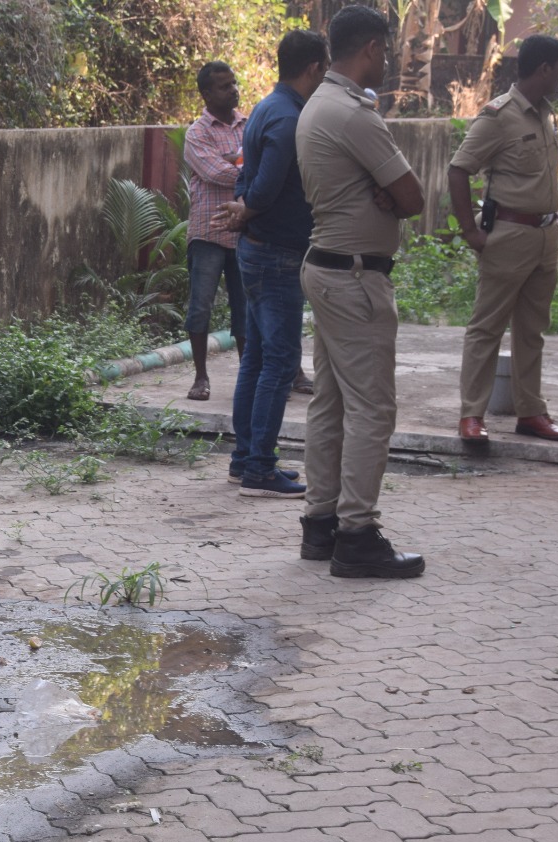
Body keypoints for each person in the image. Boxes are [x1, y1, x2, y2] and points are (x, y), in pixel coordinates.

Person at [294, 5, 426, 578]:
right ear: (371, 48)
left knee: (332, 402)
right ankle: (358, 534)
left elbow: (395, 193)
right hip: (353, 276)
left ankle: (322, 522)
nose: (390, 61)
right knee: (372, 406)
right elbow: (414, 197)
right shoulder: (353, 114)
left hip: (328, 268)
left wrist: (386, 192)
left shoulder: (317, 105)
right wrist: (388, 194)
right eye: (387, 50)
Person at [214, 30, 329, 500]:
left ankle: (245, 460)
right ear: (315, 69)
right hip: (278, 253)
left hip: (258, 249)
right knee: (279, 363)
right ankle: (260, 465)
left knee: (257, 359)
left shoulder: (266, 106)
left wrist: (244, 205)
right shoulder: (287, 118)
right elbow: (263, 184)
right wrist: (249, 206)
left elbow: (245, 177)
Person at [450, 35, 558, 444]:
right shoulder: (499, 115)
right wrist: (471, 230)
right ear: (544, 69)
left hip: (545, 234)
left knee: (532, 329)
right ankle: (472, 415)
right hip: (510, 233)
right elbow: (459, 169)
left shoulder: (545, 114)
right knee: (487, 327)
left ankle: (531, 412)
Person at [182, 61, 247, 402]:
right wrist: (248, 169)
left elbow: (237, 166)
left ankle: (247, 378)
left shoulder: (249, 125)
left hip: (242, 232)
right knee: (201, 306)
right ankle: (201, 377)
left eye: (233, 83)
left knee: (244, 308)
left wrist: (238, 163)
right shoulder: (197, 133)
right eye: (224, 86)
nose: (233, 90)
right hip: (208, 234)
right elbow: (215, 171)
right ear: (206, 94)